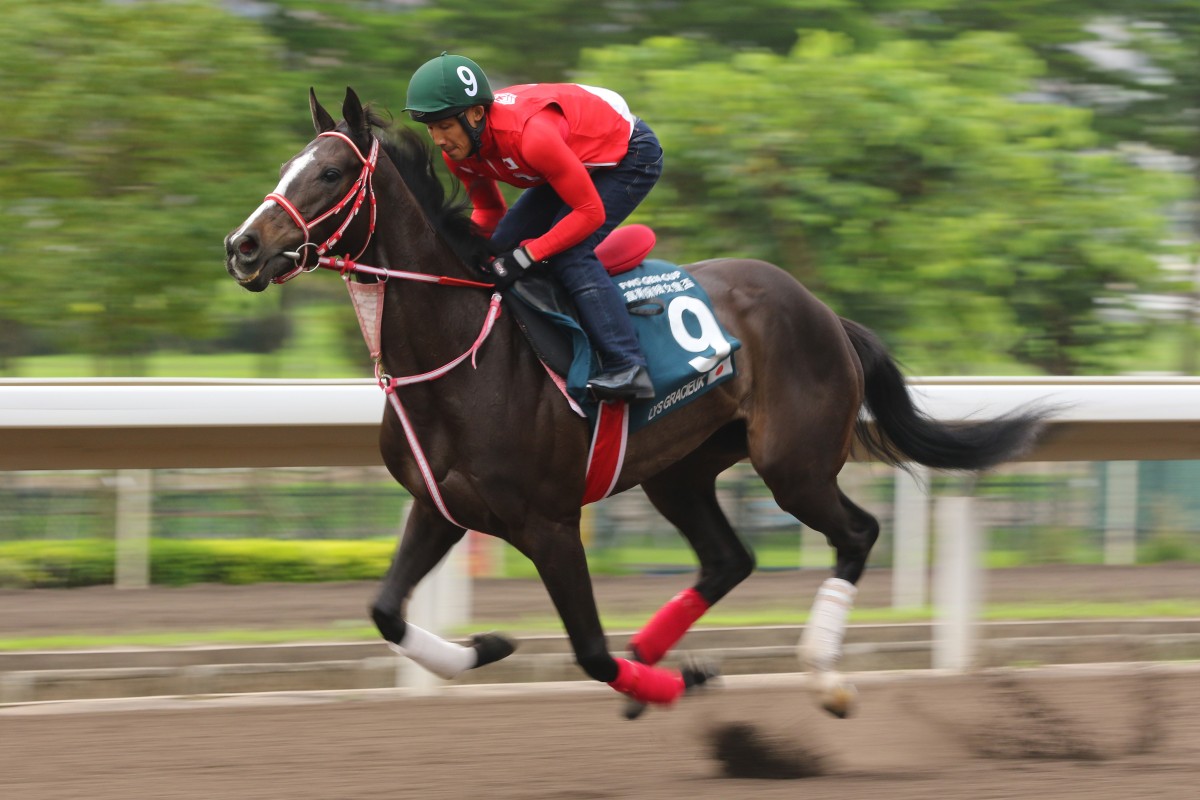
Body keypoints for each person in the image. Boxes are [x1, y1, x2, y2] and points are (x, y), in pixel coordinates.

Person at [404, 52, 661, 401]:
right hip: (571, 160)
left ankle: (628, 365)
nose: (438, 140)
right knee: (500, 248)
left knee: (569, 254)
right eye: (431, 128)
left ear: (477, 114)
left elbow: (590, 213)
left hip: (630, 155)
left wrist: (528, 256)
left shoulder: (530, 137)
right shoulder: (459, 153)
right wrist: (461, 252)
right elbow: (490, 213)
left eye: (445, 126)